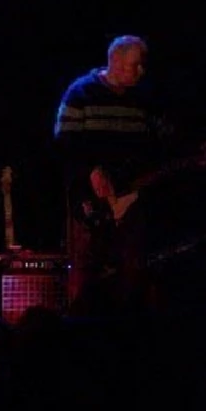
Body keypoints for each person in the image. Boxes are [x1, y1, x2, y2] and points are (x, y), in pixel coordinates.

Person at [54, 35, 168, 315]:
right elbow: (63, 143)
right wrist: (90, 171)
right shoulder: (80, 93)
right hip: (88, 203)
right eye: (135, 65)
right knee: (84, 269)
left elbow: (162, 141)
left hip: (131, 198)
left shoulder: (144, 98)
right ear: (115, 62)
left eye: (142, 66)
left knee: (132, 269)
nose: (141, 71)